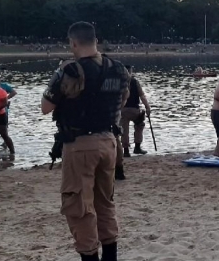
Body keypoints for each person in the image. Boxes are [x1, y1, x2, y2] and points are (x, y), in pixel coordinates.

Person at [41, 21, 130, 261]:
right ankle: (110, 256)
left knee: (79, 206)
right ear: (96, 41)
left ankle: (89, 257)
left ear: (73, 43)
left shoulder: (69, 70)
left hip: (80, 144)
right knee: (105, 202)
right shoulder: (118, 68)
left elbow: (45, 108)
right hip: (109, 141)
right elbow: (122, 101)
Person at [120, 65, 151, 157]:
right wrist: (147, 107)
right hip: (134, 109)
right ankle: (137, 147)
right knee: (139, 125)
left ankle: (125, 151)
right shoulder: (134, 82)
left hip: (122, 109)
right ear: (130, 71)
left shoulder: (119, 82)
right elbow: (142, 96)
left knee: (124, 130)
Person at [0, 71, 17, 149]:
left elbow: (13, 92)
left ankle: (10, 149)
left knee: (4, 133)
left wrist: (7, 99)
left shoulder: (3, 87)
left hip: (2, 114)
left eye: (0, 77)